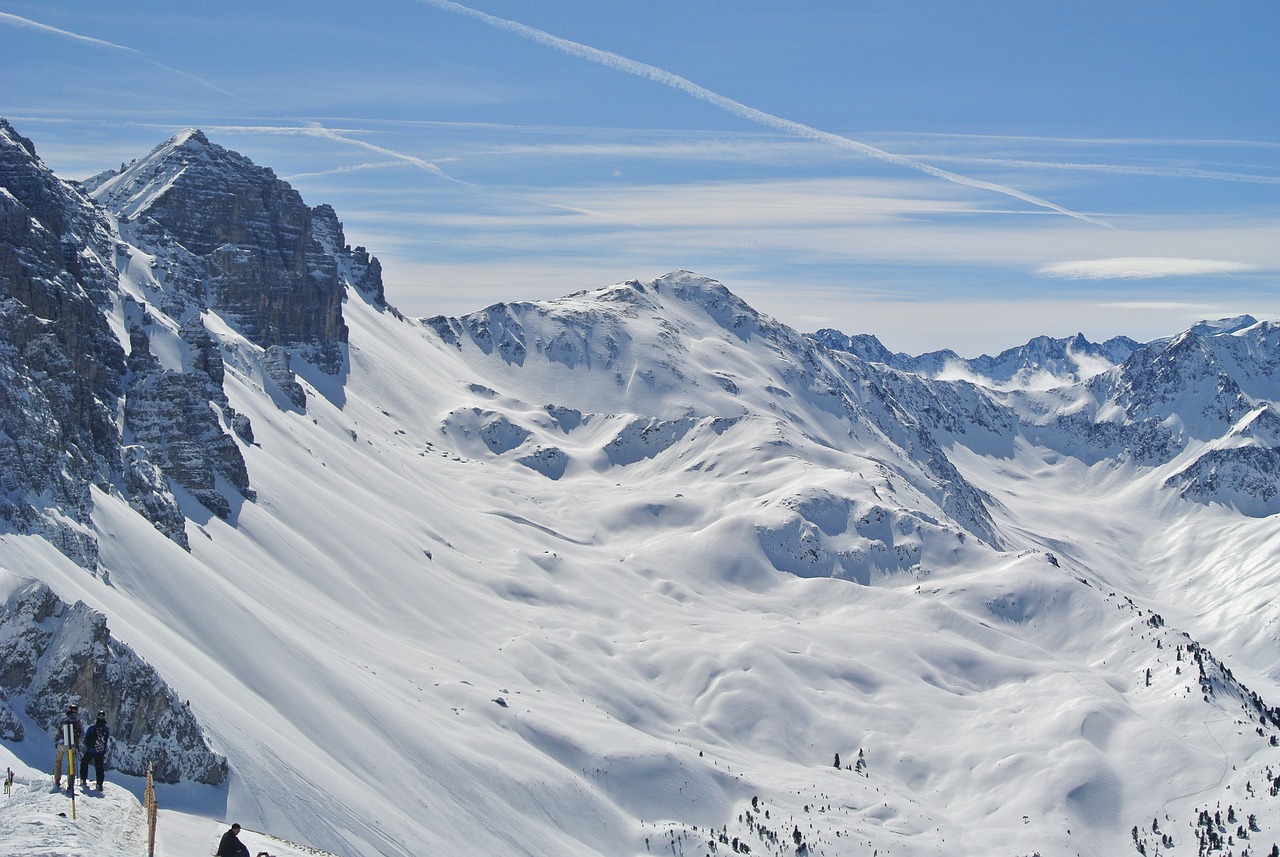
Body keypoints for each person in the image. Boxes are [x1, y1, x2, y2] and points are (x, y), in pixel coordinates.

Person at [52, 704, 82, 790]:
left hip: (62, 743)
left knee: (58, 760)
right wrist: (77, 743)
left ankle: (57, 780)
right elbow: (81, 734)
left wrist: (56, 741)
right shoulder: (77, 721)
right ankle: (71, 783)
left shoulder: (64, 720)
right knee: (71, 763)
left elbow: (58, 731)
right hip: (72, 744)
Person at [80, 710, 110, 790]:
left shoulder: (92, 728)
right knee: (99, 767)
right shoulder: (106, 729)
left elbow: (86, 738)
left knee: (84, 762)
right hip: (100, 751)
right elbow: (106, 739)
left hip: (91, 750)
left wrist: (88, 746)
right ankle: (99, 783)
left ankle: (83, 779)